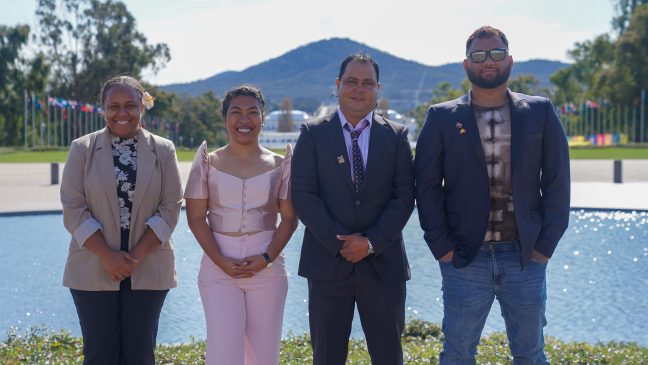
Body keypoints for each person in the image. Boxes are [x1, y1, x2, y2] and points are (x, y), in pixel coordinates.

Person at [415, 25, 571, 364]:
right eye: (480, 55)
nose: (489, 61)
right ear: (466, 64)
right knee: (457, 354)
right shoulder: (441, 117)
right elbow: (427, 188)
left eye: (497, 54)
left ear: (510, 60)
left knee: (530, 354)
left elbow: (558, 182)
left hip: (525, 257)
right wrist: (442, 247)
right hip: (465, 260)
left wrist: (544, 248)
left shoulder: (540, 111)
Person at [291, 53, 415, 365]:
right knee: (327, 357)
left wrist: (370, 242)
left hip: (384, 265)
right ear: (338, 85)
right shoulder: (313, 133)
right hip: (327, 264)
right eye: (351, 81)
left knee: (389, 357)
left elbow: (404, 198)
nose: (358, 89)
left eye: (367, 83)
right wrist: (340, 243)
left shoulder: (397, 136)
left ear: (378, 88)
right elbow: (303, 195)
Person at [60, 75, 183, 365]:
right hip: (92, 265)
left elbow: (171, 207)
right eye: (113, 105)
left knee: (140, 355)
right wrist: (108, 256)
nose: (122, 112)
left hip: (149, 266)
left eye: (130, 105)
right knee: (100, 355)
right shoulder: (82, 149)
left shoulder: (164, 150)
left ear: (143, 106)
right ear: (103, 109)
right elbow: (73, 207)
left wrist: (134, 258)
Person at [184, 85, 298, 365]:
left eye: (252, 112)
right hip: (217, 266)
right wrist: (221, 261)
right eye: (236, 112)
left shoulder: (282, 163)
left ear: (262, 117)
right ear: (225, 118)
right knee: (223, 353)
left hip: (267, 268)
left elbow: (290, 218)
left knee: (263, 356)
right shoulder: (207, 161)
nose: (244, 120)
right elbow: (196, 217)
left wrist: (267, 258)